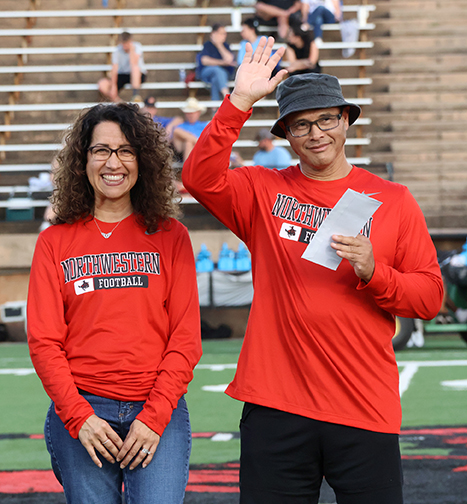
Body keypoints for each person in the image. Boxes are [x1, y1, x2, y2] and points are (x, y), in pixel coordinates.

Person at [182, 37, 444, 503]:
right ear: (286, 136)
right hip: (275, 404)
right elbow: (199, 179)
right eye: (301, 125)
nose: (316, 133)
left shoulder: (393, 200)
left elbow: (428, 299)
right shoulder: (261, 190)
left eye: (326, 119)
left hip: (364, 403)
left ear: (345, 121)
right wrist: (239, 101)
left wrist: (373, 270)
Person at [27, 102, 202, 504]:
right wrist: (79, 417)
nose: (113, 162)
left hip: (158, 410)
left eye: (126, 150)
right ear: (82, 160)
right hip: (83, 412)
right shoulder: (54, 242)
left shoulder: (171, 236)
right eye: (101, 150)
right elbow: (44, 342)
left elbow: (186, 339)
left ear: (143, 161)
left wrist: (155, 418)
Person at [196, 24, 236, 102]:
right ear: (214, 34)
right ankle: (226, 94)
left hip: (223, 75)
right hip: (207, 72)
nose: (224, 36)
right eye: (221, 33)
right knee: (217, 70)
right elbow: (204, 60)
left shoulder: (225, 46)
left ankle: (215, 107)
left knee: (215, 79)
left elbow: (229, 59)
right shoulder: (207, 45)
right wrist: (222, 63)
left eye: (225, 33)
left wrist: (219, 45)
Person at [109, 32, 147, 102]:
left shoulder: (137, 47)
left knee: (135, 69)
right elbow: (114, 68)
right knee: (103, 84)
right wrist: (113, 86)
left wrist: (131, 50)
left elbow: (134, 63)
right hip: (123, 74)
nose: (125, 46)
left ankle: (135, 95)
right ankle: (119, 102)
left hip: (137, 75)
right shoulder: (117, 50)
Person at [172, 97, 209, 162]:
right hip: (186, 151)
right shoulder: (181, 126)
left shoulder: (205, 125)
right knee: (188, 143)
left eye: (193, 112)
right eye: (188, 112)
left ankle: (188, 170)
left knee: (188, 142)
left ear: (198, 113)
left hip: (202, 153)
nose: (191, 115)